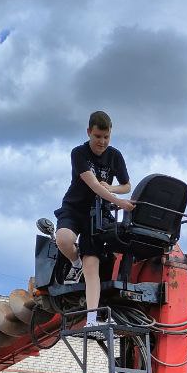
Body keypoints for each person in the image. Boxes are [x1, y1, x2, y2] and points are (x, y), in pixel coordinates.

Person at [53, 110, 134, 329]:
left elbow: (127, 185)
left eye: (106, 137)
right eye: (98, 137)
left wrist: (114, 188)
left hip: (97, 215)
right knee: (63, 239)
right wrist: (120, 202)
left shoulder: (115, 155)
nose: (102, 142)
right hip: (75, 208)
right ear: (89, 132)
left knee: (93, 267)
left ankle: (90, 320)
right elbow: (94, 186)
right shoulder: (79, 153)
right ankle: (74, 262)